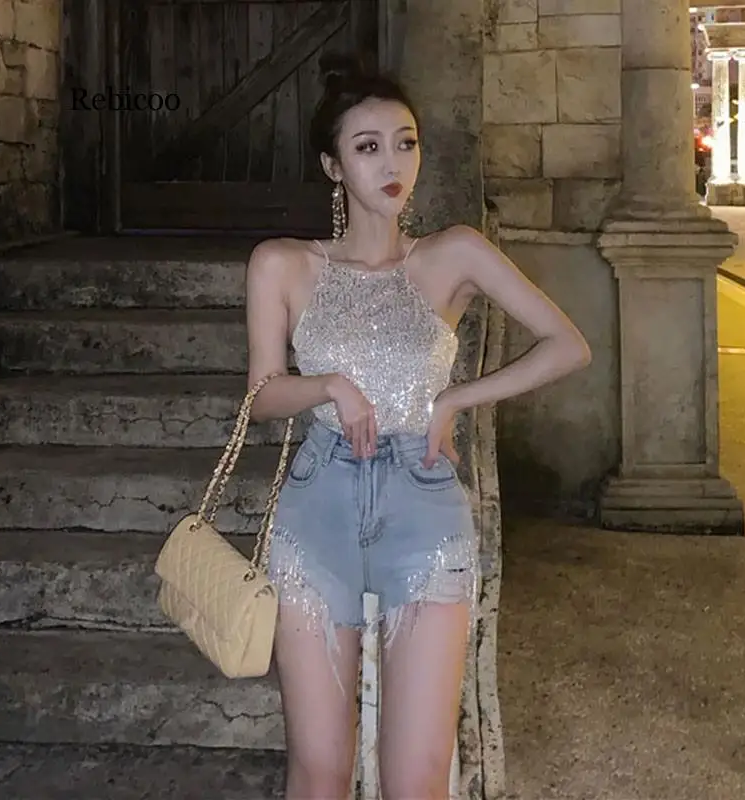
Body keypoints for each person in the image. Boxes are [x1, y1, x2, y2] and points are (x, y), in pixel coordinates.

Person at [245, 53, 592, 800]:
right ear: (333, 167)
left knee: (417, 777)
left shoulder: (452, 254)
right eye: (367, 146)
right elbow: (262, 397)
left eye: (405, 142)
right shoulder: (283, 264)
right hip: (317, 508)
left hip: (422, 506)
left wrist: (456, 399)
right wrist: (328, 386)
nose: (392, 162)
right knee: (319, 769)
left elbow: (568, 345)